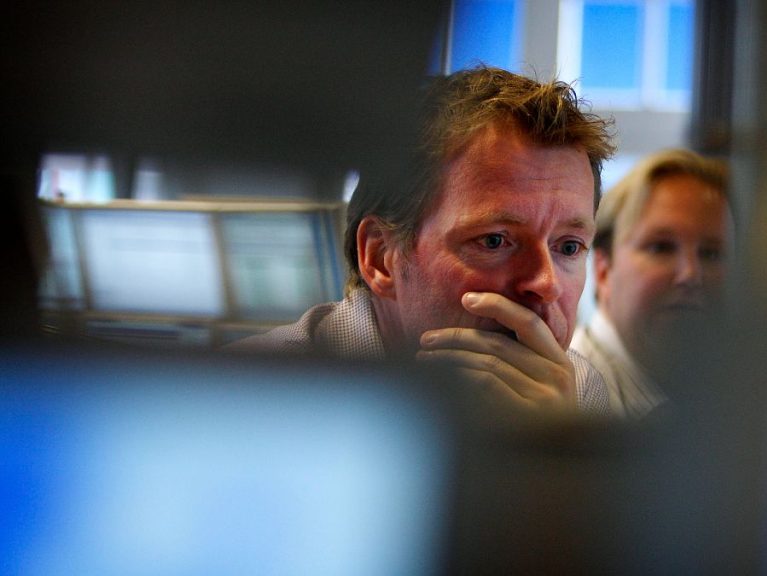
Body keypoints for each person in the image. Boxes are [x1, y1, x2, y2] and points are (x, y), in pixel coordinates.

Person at [234, 66, 616, 415]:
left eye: (568, 247)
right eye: (494, 241)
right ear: (381, 257)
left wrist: (551, 445)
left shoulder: (574, 394)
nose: (546, 284)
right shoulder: (248, 394)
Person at [571, 148, 731, 419]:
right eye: (661, 247)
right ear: (603, 270)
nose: (691, 274)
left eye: (711, 253)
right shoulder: (571, 400)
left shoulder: (730, 395)